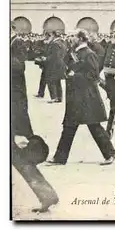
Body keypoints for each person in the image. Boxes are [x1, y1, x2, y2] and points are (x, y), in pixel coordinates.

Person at [48, 30, 115, 166]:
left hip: (86, 97)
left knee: (93, 126)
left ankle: (110, 153)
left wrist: (75, 75)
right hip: (76, 97)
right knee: (69, 127)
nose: (70, 38)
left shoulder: (89, 54)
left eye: (73, 36)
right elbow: (66, 66)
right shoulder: (74, 52)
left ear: (80, 38)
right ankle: (59, 158)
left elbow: (93, 76)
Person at [11, 21, 59, 213]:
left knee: (19, 157)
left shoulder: (14, 54)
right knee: (18, 158)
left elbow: (16, 93)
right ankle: (47, 195)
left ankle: (46, 195)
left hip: (12, 115)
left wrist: (19, 129)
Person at [45, 30, 67, 103]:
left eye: (51, 35)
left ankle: (53, 97)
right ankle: (59, 97)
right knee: (57, 82)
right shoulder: (62, 42)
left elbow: (54, 55)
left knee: (51, 80)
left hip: (54, 64)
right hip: (61, 64)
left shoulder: (54, 43)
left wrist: (46, 59)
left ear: (53, 35)